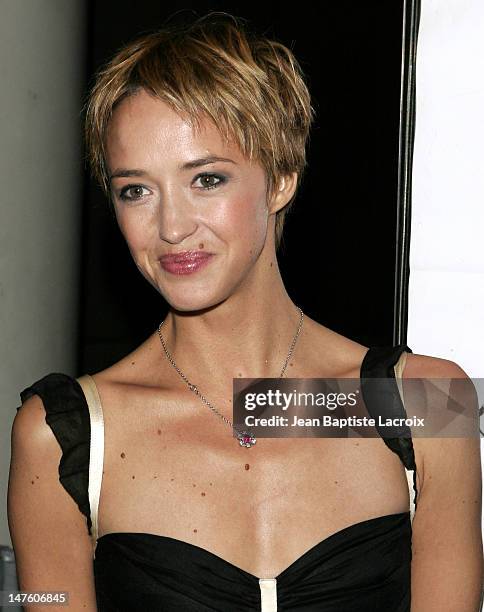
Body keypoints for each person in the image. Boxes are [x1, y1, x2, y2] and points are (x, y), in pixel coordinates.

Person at [7, 11, 483, 612]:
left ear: (281, 177)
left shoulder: (427, 402)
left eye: (206, 179)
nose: (172, 227)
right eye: (136, 189)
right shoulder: (61, 435)